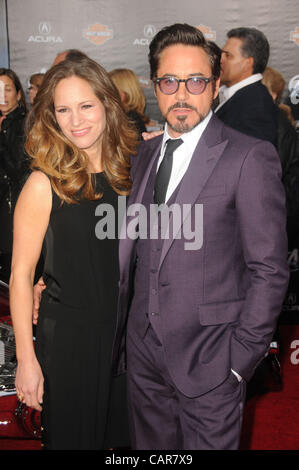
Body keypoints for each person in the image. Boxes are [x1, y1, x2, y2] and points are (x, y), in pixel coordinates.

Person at [112, 23, 289, 450]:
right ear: (155, 86)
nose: (182, 94)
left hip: (212, 360)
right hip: (142, 358)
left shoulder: (249, 156)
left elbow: (269, 270)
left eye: (196, 81)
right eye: (170, 81)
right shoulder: (141, 155)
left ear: (214, 86)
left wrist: (239, 359)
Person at [9, 56, 137, 450]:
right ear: (51, 116)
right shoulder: (43, 183)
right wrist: (27, 362)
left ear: (107, 105)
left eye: (86, 106)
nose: (75, 120)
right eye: (63, 109)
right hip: (69, 344)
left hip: (128, 344)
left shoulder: (133, 174)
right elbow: (20, 277)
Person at [215, 27, 278, 146]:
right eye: (222, 54)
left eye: (228, 56)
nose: (220, 60)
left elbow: (256, 159)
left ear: (247, 64)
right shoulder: (242, 96)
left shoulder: (256, 105)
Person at [0, 68, 28, 283]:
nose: (2, 94)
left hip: (15, 213)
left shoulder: (26, 123)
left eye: (7, 89)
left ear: (18, 94)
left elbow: (19, 169)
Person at [109, 68, 148, 138]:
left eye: (113, 89)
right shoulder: (117, 114)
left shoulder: (131, 119)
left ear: (127, 91)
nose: (109, 93)